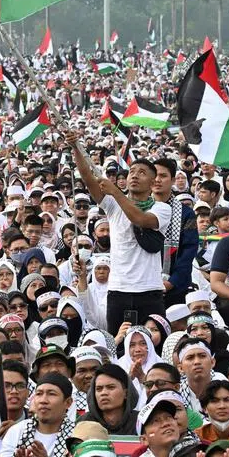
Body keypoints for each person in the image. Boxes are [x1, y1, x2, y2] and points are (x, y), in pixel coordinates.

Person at [65, 129, 172, 330]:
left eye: (142, 173)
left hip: (149, 291)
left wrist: (114, 191)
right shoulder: (113, 205)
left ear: (152, 182)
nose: (134, 176)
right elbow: (88, 179)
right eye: (132, 172)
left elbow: (140, 219)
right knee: (118, 345)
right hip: (118, 291)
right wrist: (76, 149)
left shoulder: (162, 208)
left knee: (152, 343)